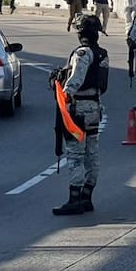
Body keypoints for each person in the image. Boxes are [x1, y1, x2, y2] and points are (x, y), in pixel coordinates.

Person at [51, 13, 109, 216]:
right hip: (94, 107)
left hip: (79, 110)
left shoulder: (83, 54)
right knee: (92, 153)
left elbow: (75, 80)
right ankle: (87, 195)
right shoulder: (102, 53)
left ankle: (75, 198)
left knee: (76, 154)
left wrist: (61, 90)